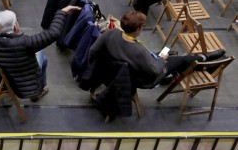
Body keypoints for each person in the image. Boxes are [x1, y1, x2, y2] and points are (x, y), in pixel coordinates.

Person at [89, 10, 226, 90]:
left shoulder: (111, 33)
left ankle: (200, 63)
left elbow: (93, 51)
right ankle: (204, 59)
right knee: (178, 59)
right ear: (137, 30)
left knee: (166, 54)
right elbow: (154, 70)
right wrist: (161, 60)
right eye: (142, 27)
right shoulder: (137, 50)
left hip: (112, 73)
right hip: (141, 79)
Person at [0, 6, 81, 102]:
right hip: (25, 87)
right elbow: (53, 33)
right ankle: (39, 92)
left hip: (5, 82)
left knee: (43, 59)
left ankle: (42, 86)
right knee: (40, 52)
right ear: (15, 27)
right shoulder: (25, 43)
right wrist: (61, 12)